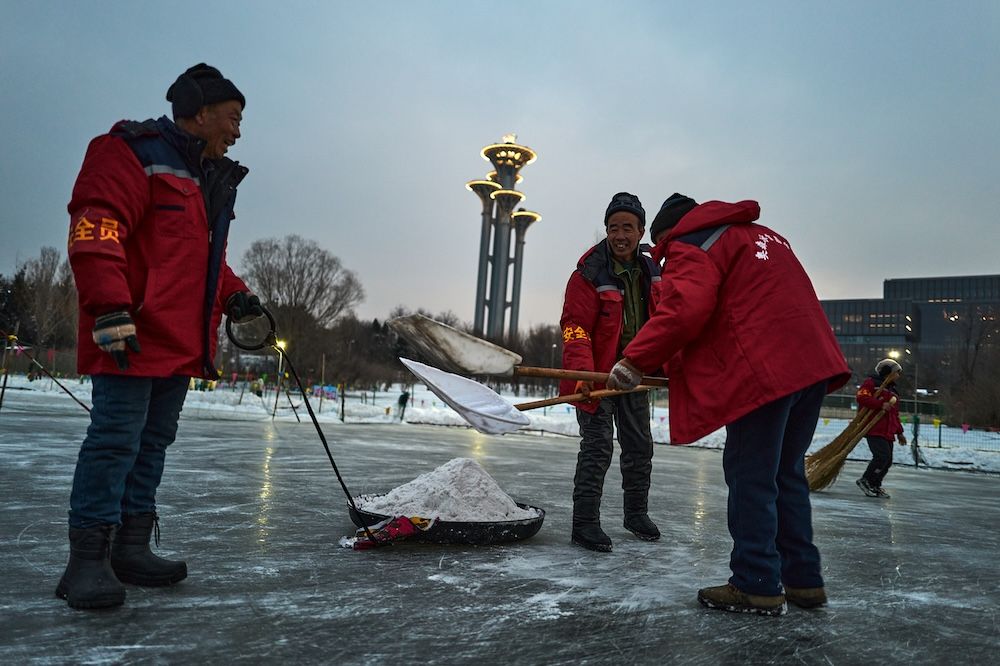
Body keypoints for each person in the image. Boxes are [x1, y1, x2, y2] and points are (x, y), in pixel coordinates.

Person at [57, 64, 264, 610]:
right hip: (130, 333)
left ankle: (130, 547)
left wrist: (235, 295)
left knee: (151, 446)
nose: (237, 131)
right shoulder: (129, 152)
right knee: (114, 442)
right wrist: (109, 307)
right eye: (233, 118)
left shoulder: (206, 177)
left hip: (179, 342)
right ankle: (87, 560)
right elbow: (96, 224)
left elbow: (202, 259)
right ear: (201, 111)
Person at [606, 193, 850, 615]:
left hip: (765, 370)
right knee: (786, 474)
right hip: (812, 364)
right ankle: (803, 580)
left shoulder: (692, 243)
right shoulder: (761, 236)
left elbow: (685, 309)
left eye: (663, 249)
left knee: (750, 474)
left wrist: (634, 360)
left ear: (668, 234)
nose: (666, 258)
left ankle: (756, 582)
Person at [559, 192, 662, 553]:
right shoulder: (588, 274)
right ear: (606, 230)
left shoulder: (654, 270)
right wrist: (583, 374)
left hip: (633, 373)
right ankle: (585, 523)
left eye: (628, 228)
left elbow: (666, 320)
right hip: (597, 376)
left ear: (641, 231)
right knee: (597, 447)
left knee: (639, 446)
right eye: (614, 227)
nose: (620, 235)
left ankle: (636, 514)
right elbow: (575, 327)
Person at [855, 358, 907, 498]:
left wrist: (900, 432)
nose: (898, 376)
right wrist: (880, 404)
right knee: (881, 456)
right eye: (896, 372)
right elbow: (861, 398)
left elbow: (894, 414)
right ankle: (866, 480)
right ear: (887, 371)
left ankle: (875, 484)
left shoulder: (894, 391)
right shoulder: (871, 383)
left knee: (887, 460)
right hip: (873, 428)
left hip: (888, 431)